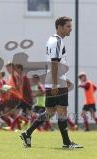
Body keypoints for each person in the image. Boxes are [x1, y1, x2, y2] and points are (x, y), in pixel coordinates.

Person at [20, 16, 83, 149]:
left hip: (53, 80)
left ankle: (27, 133)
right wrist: (56, 83)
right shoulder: (57, 41)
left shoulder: (51, 39)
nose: (71, 29)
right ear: (59, 27)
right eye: (68, 26)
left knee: (49, 112)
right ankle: (66, 143)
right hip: (57, 82)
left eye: (71, 26)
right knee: (62, 111)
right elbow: (54, 63)